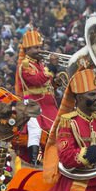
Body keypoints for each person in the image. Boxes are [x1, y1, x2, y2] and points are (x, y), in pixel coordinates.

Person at [15, 27, 59, 161]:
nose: (39, 50)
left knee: (57, 132)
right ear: (27, 49)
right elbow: (36, 80)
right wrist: (51, 68)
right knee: (36, 131)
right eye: (35, 48)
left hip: (48, 104)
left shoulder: (40, 63)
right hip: (34, 104)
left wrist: (56, 82)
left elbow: (47, 84)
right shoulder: (25, 65)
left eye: (40, 47)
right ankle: (34, 160)